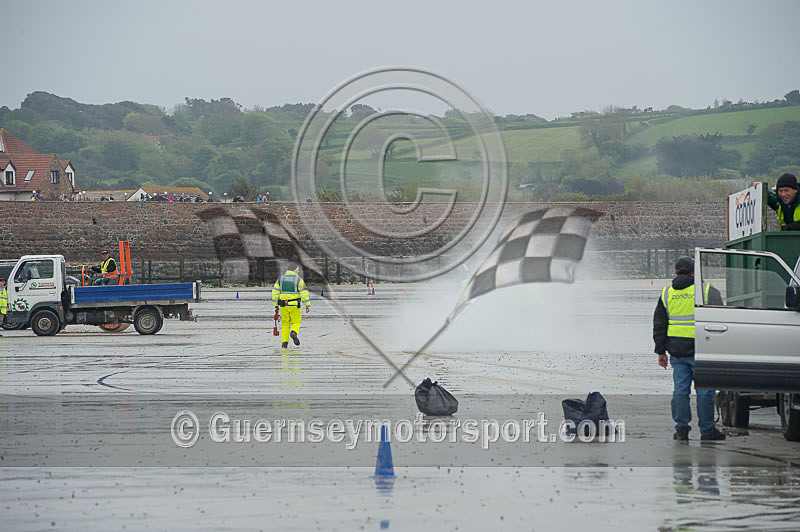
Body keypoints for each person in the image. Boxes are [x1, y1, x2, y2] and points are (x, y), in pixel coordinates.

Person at [653, 256, 726, 441]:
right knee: (705, 392)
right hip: (703, 349)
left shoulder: (667, 293)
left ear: (676, 272)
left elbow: (659, 325)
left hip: (677, 351)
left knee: (680, 391)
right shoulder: (707, 290)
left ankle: (682, 430)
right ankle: (707, 431)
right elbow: (721, 321)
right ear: (695, 272)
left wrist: (661, 352)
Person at [272, 266, 311, 348]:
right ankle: (293, 332)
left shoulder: (280, 279)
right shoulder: (298, 279)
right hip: (294, 305)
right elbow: (304, 293)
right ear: (295, 270)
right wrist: (307, 304)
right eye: (297, 270)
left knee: (285, 324)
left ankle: (284, 343)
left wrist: (276, 305)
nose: (298, 271)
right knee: (296, 322)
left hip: (283, 305)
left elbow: (275, 293)